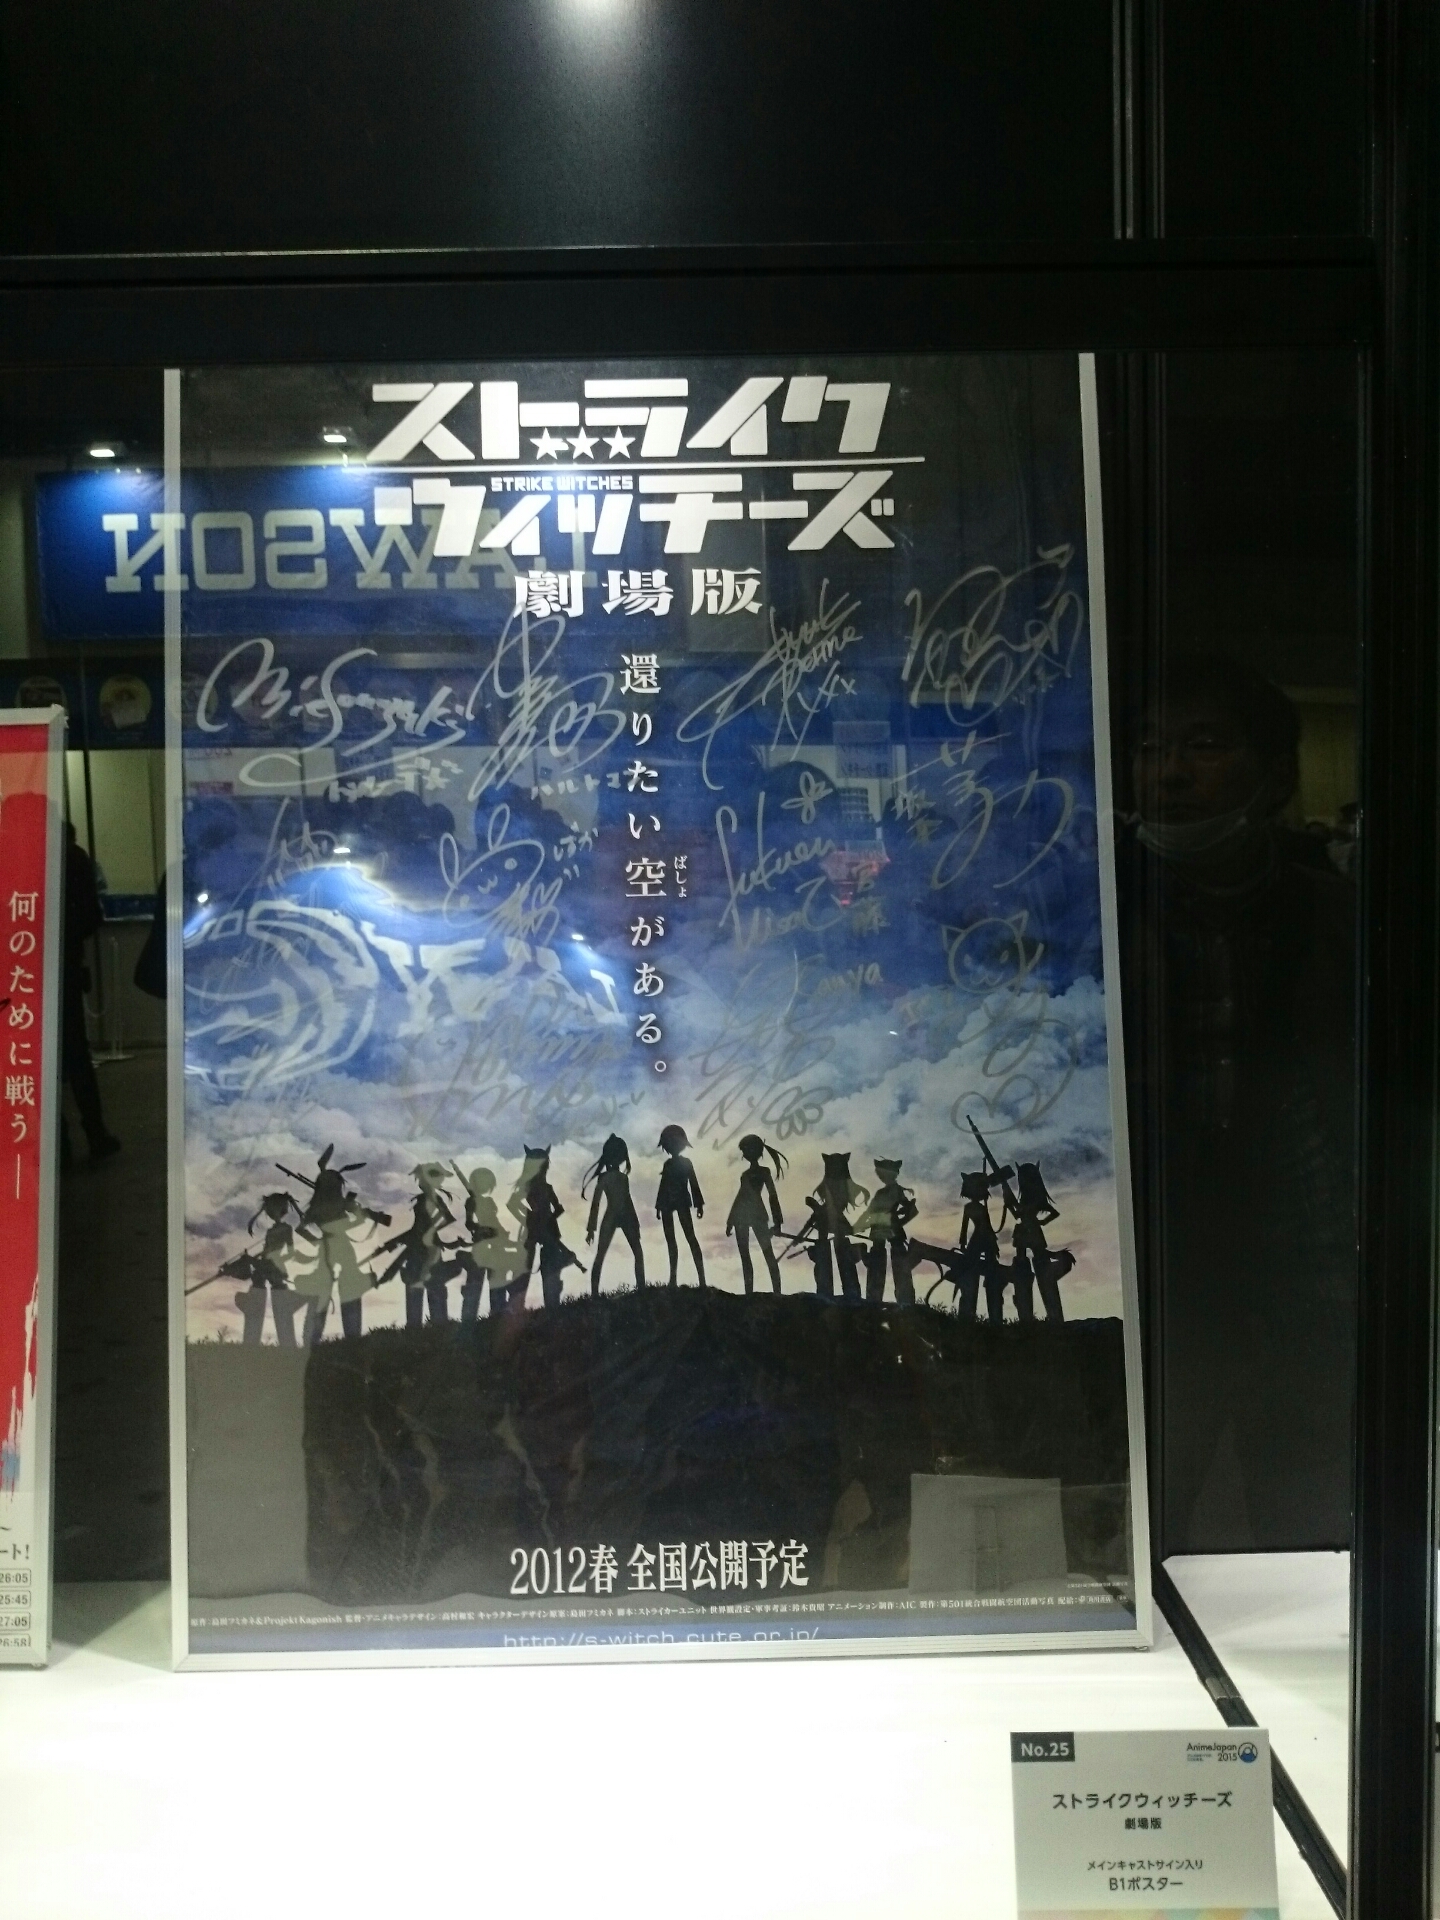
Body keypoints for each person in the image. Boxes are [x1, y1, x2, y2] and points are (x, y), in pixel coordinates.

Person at [1122, 653, 1356, 1550]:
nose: (1171, 773)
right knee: (1146, 1517)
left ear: (1277, 775)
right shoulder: (1098, 913)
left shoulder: (1339, 918)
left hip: (1300, 1264)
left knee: (1310, 1520)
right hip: (1157, 1264)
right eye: (1151, 748)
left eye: (1205, 746)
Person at [289, 1147, 390, 1344]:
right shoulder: (337, 1204)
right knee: (345, 1287)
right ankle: (346, 1337)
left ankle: (317, 1338)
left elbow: (300, 1229)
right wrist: (356, 1218)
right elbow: (355, 1221)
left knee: (330, 1289)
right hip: (339, 1245)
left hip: (328, 1247)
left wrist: (318, 1241)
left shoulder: (319, 1206)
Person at [60, 823, 119, 1163]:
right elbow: (90, 916)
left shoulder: (19, 856)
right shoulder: (75, 859)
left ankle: (58, 1140)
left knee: (36, 1057)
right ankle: (95, 1132)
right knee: (77, 1054)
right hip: (66, 968)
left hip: (25, 972)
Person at [376, 1163, 458, 1327]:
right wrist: (396, 1241)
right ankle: (417, 1328)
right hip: (417, 1248)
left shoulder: (433, 1199)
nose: (419, 1182)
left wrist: (431, 1231)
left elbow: (448, 1218)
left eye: (421, 1178)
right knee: (416, 1286)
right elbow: (418, 1227)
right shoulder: (423, 1199)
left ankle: (437, 1326)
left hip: (429, 1248)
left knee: (431, 1284)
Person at [454, 1163, 526, 1319]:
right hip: (481, 1245)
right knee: (475, 1283)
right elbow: (469, 1223)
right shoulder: (471, 1201)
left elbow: (495, 1222)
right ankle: (468, 1318)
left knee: (498, 1280)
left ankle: (498, 1313)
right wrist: (482, 1229)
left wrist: (502, 1234)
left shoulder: (489, 1201)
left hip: (496, 1244)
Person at [509, 1144, 576, 1310]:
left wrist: (548, 1220)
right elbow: (512, 1204)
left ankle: (551, 1306)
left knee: (549, 1269)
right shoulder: (528, 1187)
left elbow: (558, 1209)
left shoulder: (546, 1188)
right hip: (533, 1232)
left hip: (548, 1231)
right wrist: (528, 1218)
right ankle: (518, 1306)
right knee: (525, 1268)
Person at [234, 1191, 304, 1346]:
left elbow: (290, 1253)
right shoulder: (270, 1231)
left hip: (274, 1268)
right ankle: (250, 1343)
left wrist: (275, 1261)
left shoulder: (286, 1228)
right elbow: (266, 1252)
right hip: (264, 1266)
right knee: (257, 1291)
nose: (273, 1213)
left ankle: (287, 1343)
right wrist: (252, 1259)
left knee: (280, 1296)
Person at [725, 1135, 787, 1294]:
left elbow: (772, 1196)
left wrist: (778, 1221)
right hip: (742, 1216)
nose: (745, 1153)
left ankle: (777, 1292)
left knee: (768, 1254)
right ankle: (749, 1293)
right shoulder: (745, 1175)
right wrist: (730, 1220)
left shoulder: (764, 1172)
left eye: (746, 1149)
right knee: (745, 1256)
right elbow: (740, 1195)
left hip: (757, 1214)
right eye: (744, 1150)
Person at [584, 1134, 645, 1294]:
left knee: (637, 1252)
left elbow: (627, 1200)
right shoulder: (606, 1178)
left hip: (622, 1215)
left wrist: (635, 1224)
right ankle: (595, 1294)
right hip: (616, 1215)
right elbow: (596, 1203)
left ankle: (642, 1289)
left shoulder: (621, 1178)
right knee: (602, 1255)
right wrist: (591, 1228)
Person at [855, 1156, 918, 1305]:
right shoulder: (881, 1193)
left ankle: (904, 1299)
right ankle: (874, 1298)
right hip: (878, 1231)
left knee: (897, 1259)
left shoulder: (896, 1191)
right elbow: (869, 1213)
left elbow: (913, 1211)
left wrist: (897, 1223)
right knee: (877, 1259)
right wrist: (858, 1226)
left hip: (892, 1232)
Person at [805, 1153, 866, 1302]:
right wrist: (818, 1210)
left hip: (836, 1221)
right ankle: (826, 1290)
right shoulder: (830, 1185)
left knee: (840, 1249)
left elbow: (837, 1205)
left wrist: (819, 1210)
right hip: (827, 1220)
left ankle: (848, 1291)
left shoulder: (843, 1186)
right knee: (824, 1246)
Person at [655, 1124, 706, 1287]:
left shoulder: (685, 1163)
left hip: (680, 1201)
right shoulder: (668, 1165)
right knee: (673, 1240)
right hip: (668, 1203)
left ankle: (701, 1280)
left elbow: (693, 1183)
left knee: (689, 1237)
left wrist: (699, 1203)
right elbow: (663, 1185)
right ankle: (673, 1279)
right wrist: (658, 1205)